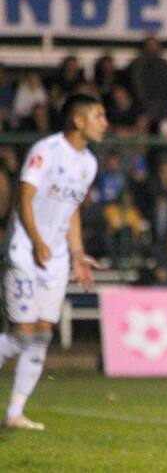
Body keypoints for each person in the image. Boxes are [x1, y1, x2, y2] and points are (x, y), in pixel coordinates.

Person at [0, 94, 107, 429]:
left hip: (56, 258)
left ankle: (15, 412)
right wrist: (36, 240)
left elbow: (72, 208)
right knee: (22, 334)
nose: (104, 123)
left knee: (43, 334)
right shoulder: (46, 150)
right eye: (98, 116)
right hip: (25, 251)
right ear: (78, 120)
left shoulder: (89, 163)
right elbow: (24, 197)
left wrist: (76, 253)